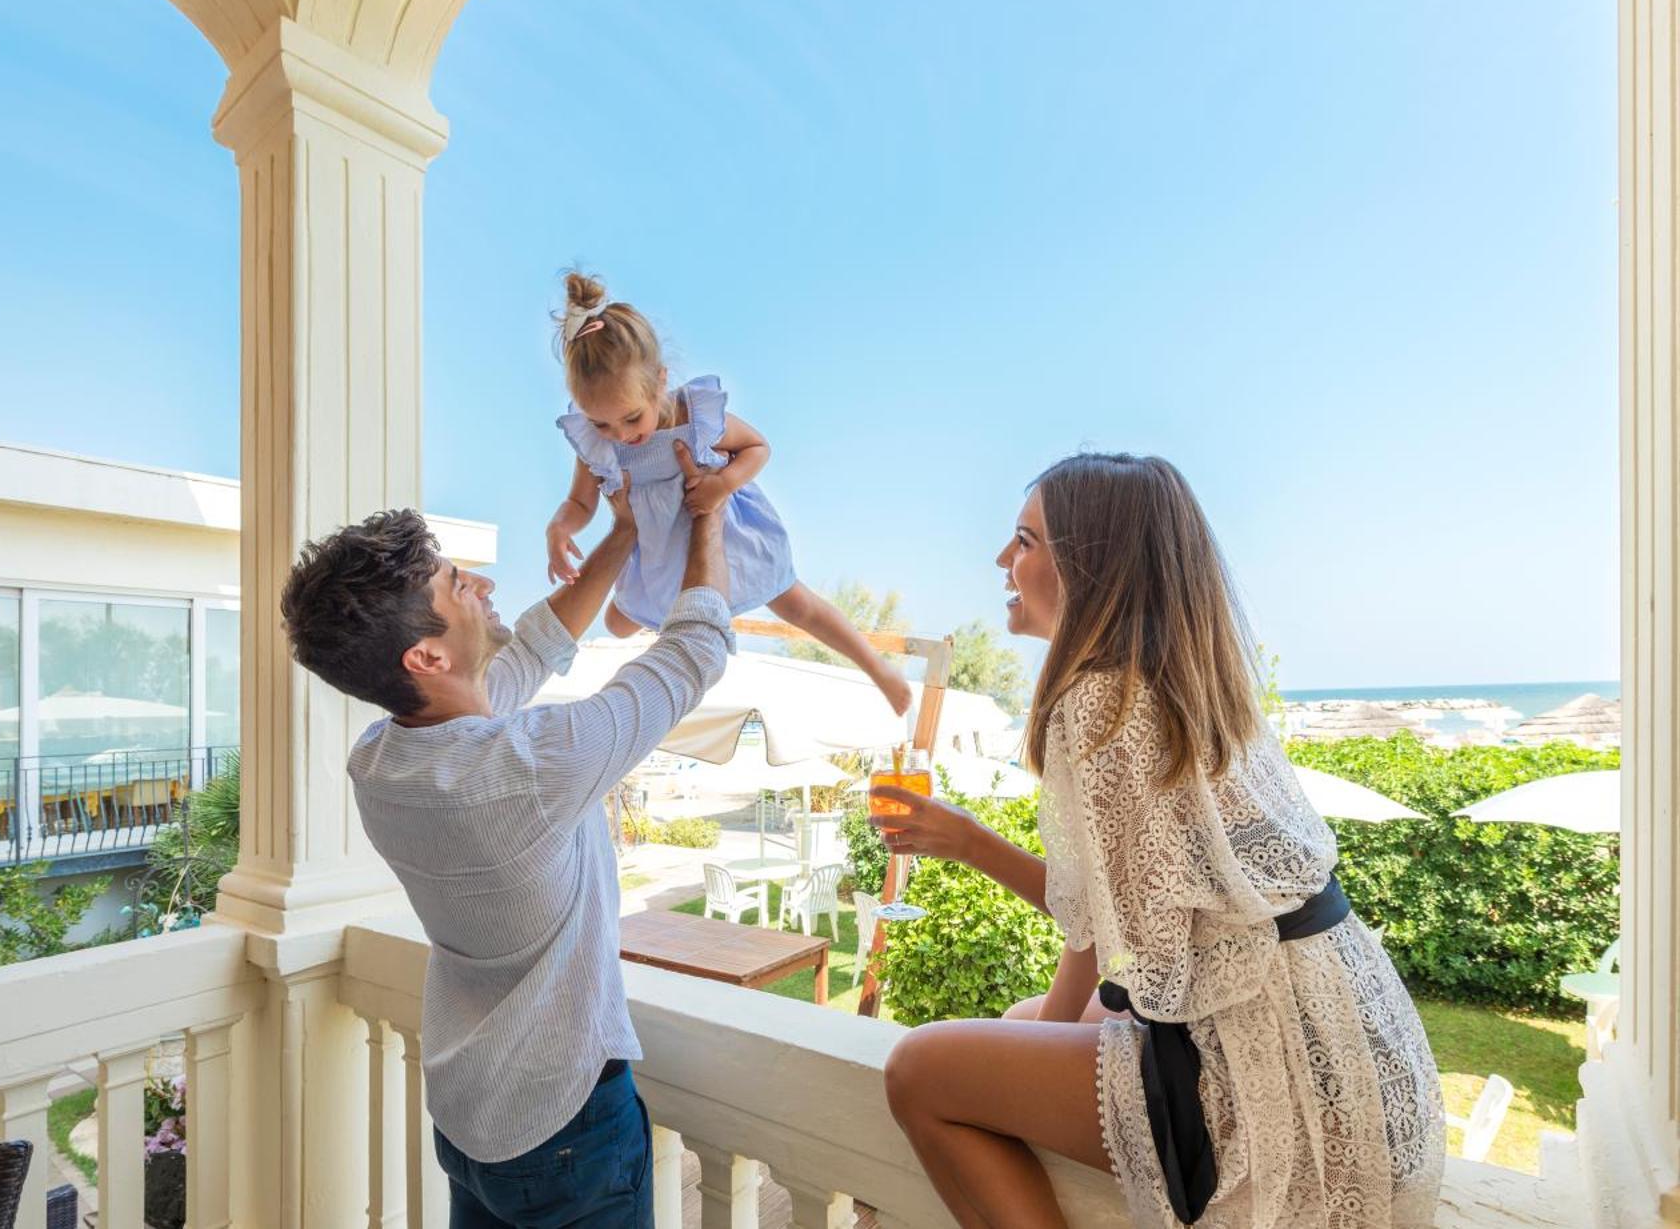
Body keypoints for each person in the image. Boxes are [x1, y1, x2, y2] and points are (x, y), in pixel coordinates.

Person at [870, 452, 1443, 1229]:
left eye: (1025, 540)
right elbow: (1133, 904)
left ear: (1089, 566)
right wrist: (974, 851)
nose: (1003, 560)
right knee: (1020, 1016)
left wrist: (975, 854)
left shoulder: (1099, 700)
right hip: (1352, 1048)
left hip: (1271, 1069)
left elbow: (1104, 937)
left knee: (920, 1070)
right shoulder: (1180, 687)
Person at [278, 470, 733, 1229]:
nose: (482, 584)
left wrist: (621, 536)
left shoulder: (380, 763)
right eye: (459, 584)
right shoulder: (528, 767)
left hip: (473, 1119)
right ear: (425, 656)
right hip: (567, 1127)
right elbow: (695, 652)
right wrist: (709, 521)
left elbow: (529, 654)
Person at [543, 270, 913, 716]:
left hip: (726, 536)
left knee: (795, 602)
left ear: (659, 382)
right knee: (616, 624)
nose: (619, 434)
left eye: (631, 418)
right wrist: (560, 527)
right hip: (659, 553)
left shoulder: (693, 415)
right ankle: (675, 618)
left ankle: (879, 670)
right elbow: (581, 501)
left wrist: (721, 486)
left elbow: (757, 447)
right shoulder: (596, 442)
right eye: (602, 423)